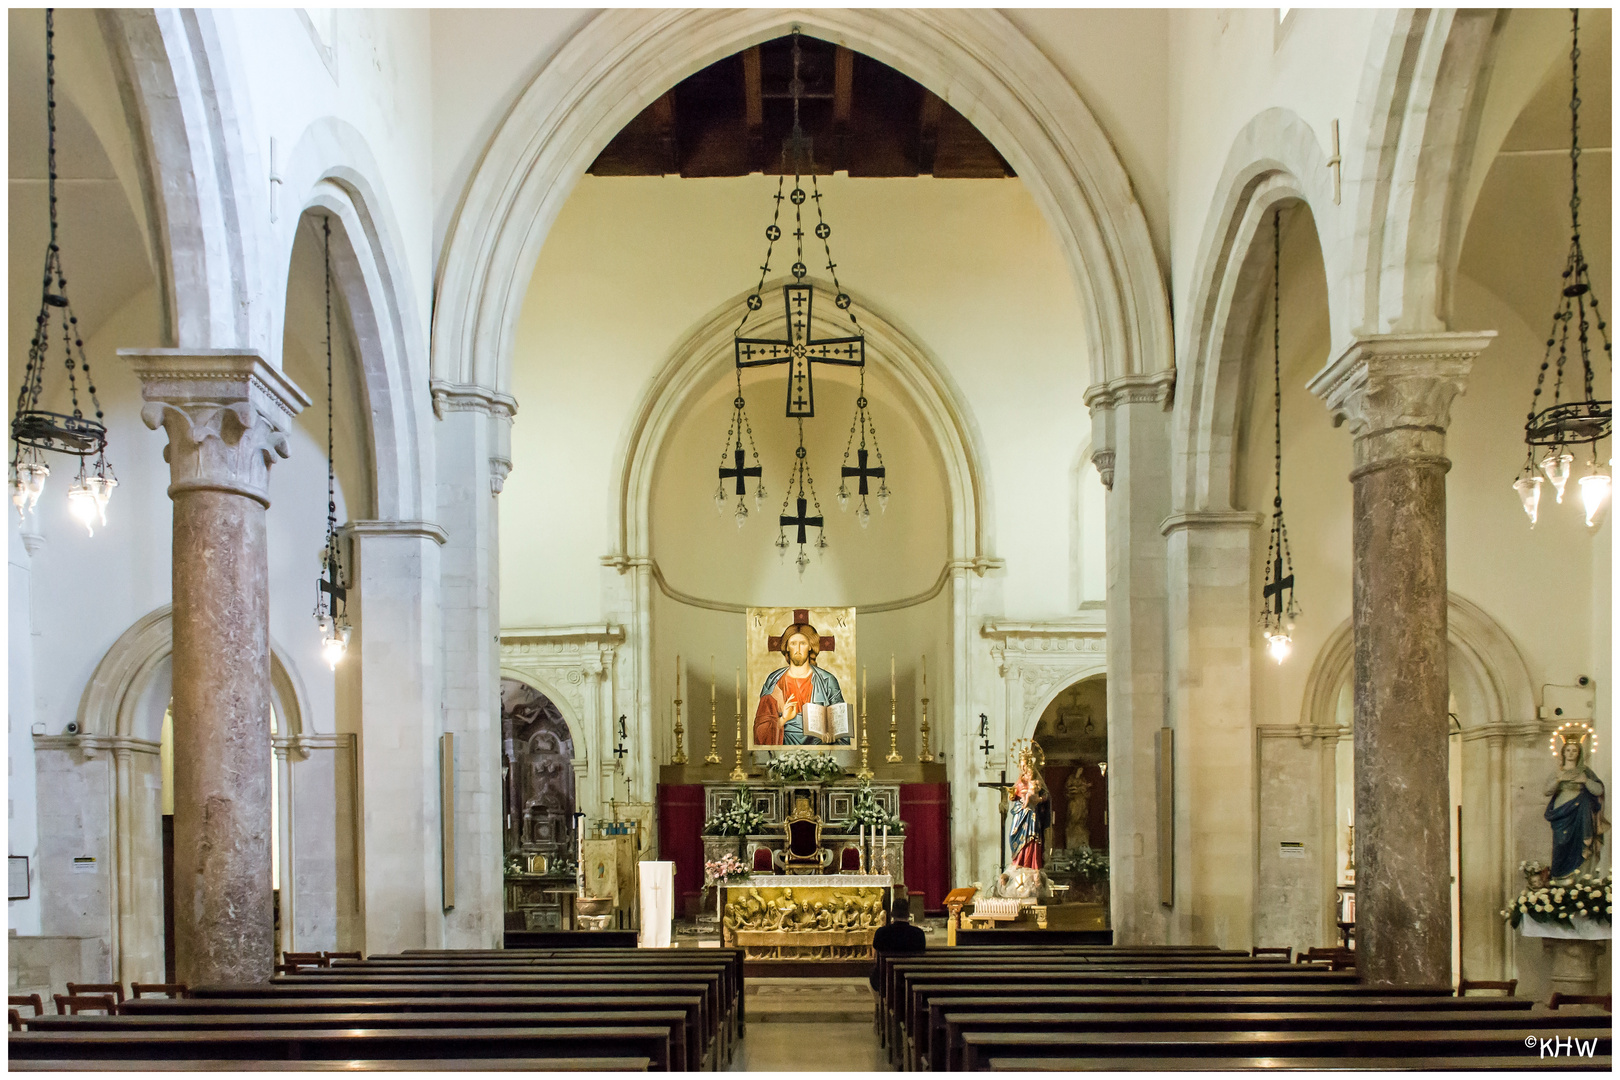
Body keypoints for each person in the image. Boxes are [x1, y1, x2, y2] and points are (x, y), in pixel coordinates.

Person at [753, 620, 847, 745]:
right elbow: (760, 731)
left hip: (819, 755)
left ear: (810, 646)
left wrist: (832, 735)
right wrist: (783, 719)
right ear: (786, 646)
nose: (797, 649)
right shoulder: (774, 681)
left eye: (802, 643)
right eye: (793, 643)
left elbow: (841, 728)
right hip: (781, 754)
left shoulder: (827, 681)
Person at [1544, 735, 1607, 881]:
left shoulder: (1585, 772)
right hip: (1562, 814)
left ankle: (1581, 880)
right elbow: (1546, 791)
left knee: (1582, 847)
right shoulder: (1558, 772)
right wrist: (1559, 780)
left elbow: (1598, 790)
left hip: (1581, 814)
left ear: (1579, 753)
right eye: (1568, 750)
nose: (1571, 753)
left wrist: (1585, 781)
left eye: (1574, 750)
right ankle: (1560, 880)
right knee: (1561, 843)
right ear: (1563, 753)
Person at [868, 895, 926, 991]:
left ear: (892, 914)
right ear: (908, 914)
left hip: (885, 978)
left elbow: (876, 956)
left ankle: (879, 1003)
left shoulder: (881, 932)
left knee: (873, 974)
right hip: (912, 977)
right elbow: (922, 955)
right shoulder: (918, 934)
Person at [1008, 743, 1051, 870]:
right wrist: (1011, 796)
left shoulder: (1036, 780)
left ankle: (1032, 865)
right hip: (1020, 812)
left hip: (1032, 814)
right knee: (1013, 835)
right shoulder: (1020, 781)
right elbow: (1014, 796)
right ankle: (1018, 862)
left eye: (1025, 765)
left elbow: (1046, 795)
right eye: (1021, 766)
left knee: (1032, 838)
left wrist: (1039, 799)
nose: (1024, 768)